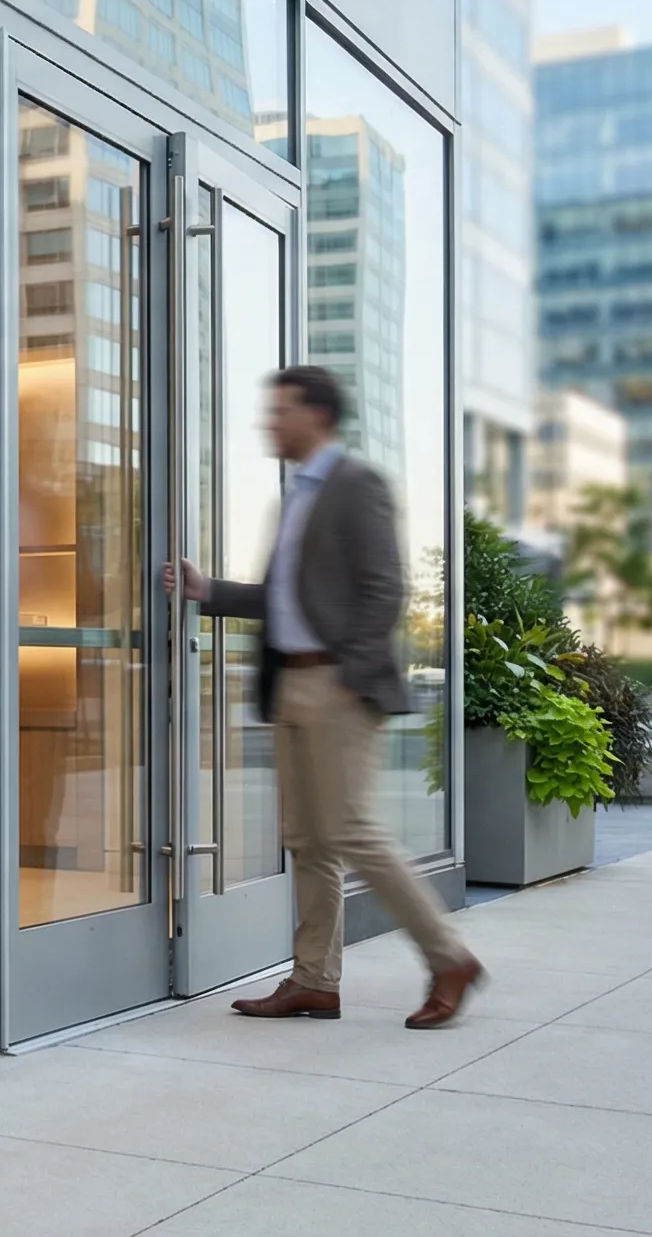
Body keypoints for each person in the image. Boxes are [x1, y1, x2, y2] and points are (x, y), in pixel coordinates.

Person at [163, 364, 485, 1029]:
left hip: (336, 684)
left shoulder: (355, 483)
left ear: (316, 414)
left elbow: (385, 589)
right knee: (308, 841)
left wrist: (347, 671)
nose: (268, 422)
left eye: (279, 411)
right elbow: (284, 598)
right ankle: (314, 980)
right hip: (292, 684)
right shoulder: (297, 495)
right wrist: (208, 591)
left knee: (351, 832)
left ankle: (449, 957)